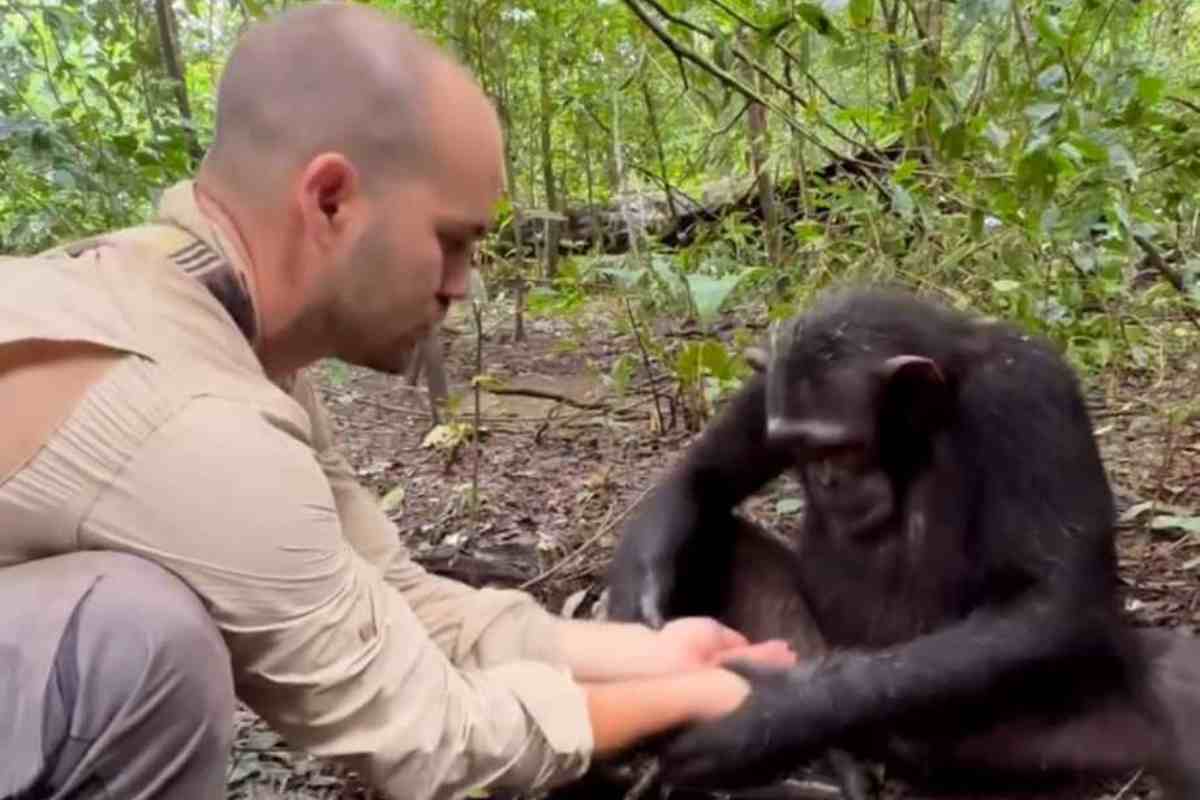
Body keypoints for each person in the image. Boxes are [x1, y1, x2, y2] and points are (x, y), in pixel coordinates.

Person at [0, 4, 795, 799]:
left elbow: (393, 595)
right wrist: (696, 699)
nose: (461, 284)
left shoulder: (204, 316)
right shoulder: (193, 419)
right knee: (142, 641)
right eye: (451, 240)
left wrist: (645, 654)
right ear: (331, 201)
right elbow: (430, 736)